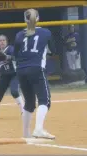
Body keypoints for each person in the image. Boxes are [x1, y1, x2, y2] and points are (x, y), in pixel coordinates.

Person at [13, 9, 55, 139]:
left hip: (21, 70)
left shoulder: (19, 35)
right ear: (38, 19)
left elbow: (16, 54)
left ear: (25, 20)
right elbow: (53, 51)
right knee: (44, 100)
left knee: (29, 103)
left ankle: (26, 133)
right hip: (36, 68)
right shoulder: (46, 32)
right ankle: (38, 129)